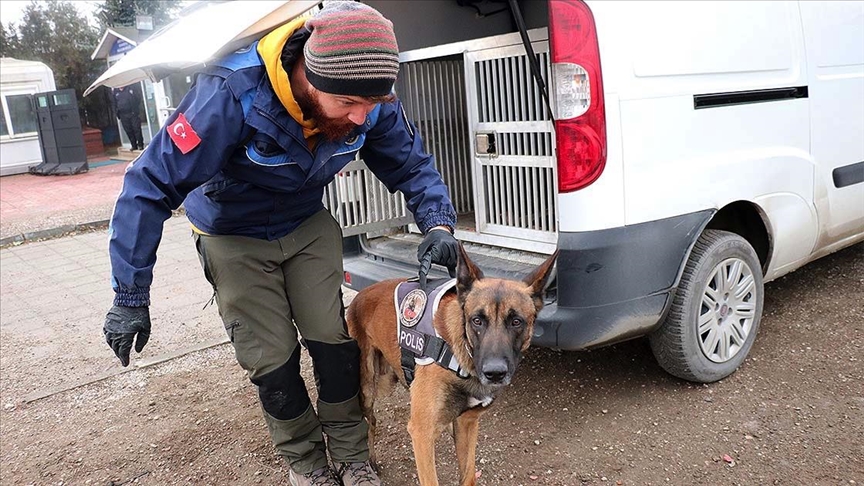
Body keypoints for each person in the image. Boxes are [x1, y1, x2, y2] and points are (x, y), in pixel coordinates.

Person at [101, 3, 459, 485]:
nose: (361, 118)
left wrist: (438, 225)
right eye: (350, 104)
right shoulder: (231, 95)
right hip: (231, 234)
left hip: (305, 221)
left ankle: (352, 454)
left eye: (373, 105)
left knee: (334, 342)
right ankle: (307, 463)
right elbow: (147, 186)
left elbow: (412, 165)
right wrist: (130, 297)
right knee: (271, 358)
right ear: (310, 79)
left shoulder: (370, 102)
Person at [112, 84, 144, 151]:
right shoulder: (115, 91)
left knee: (136, 129)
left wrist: (135, 109)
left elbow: (138, 98)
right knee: (128, 130)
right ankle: (133, 145)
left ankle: (140, 144)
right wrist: (117, 113)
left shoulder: (130, 88)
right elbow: (114, 103)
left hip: (133, 113)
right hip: (123, 115)